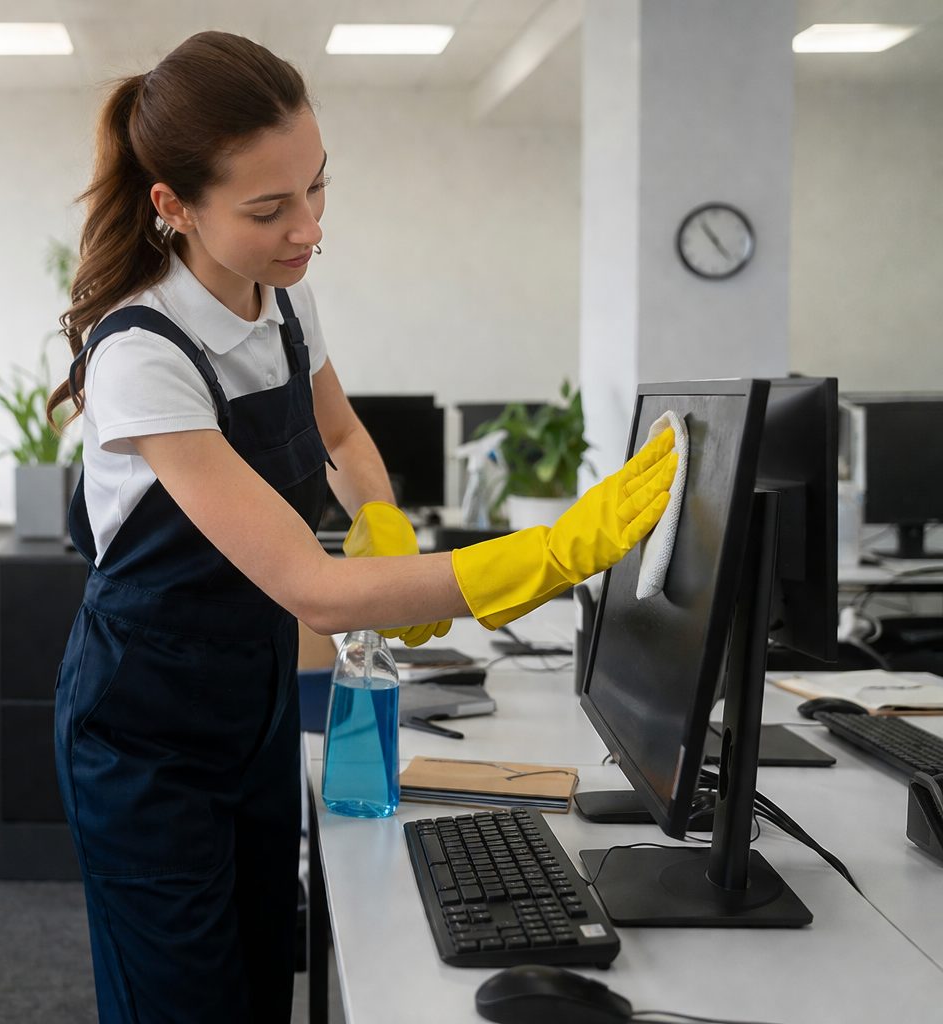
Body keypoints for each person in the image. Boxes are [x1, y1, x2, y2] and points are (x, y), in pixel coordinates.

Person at [49, 32, 678, 1024]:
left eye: (316, 188)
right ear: (172, 205)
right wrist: (547, 557)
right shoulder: (143, 352)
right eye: (269, 209)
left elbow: (339, 431)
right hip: (146, 734)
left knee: (264, 973)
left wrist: (379, 517)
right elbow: (314, 589)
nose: (308, 228)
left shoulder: (284, 302)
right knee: (183, 1002)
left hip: (254, 703)